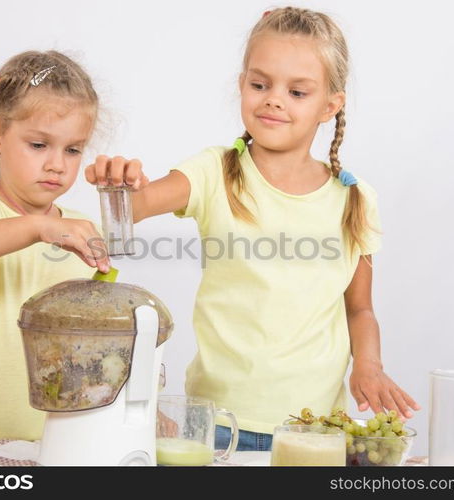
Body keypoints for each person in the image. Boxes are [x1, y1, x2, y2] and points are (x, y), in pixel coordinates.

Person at [87, 7, 419, 452]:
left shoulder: (354, 200)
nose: (273, 99)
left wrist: (370, 365)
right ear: (242, 84)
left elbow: (359, 308)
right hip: (219, 425)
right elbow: (131, 210)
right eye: (260, 84)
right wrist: (120, 185)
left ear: (330, 105)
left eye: (297, 91)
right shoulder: (212, 173)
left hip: (317, 430)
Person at [0, 50, 146, 442]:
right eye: (39, 145)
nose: (57, 164)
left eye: (73, 149)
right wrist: (39, 227)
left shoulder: (78, 229)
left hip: (52, 441)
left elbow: (91, 344)